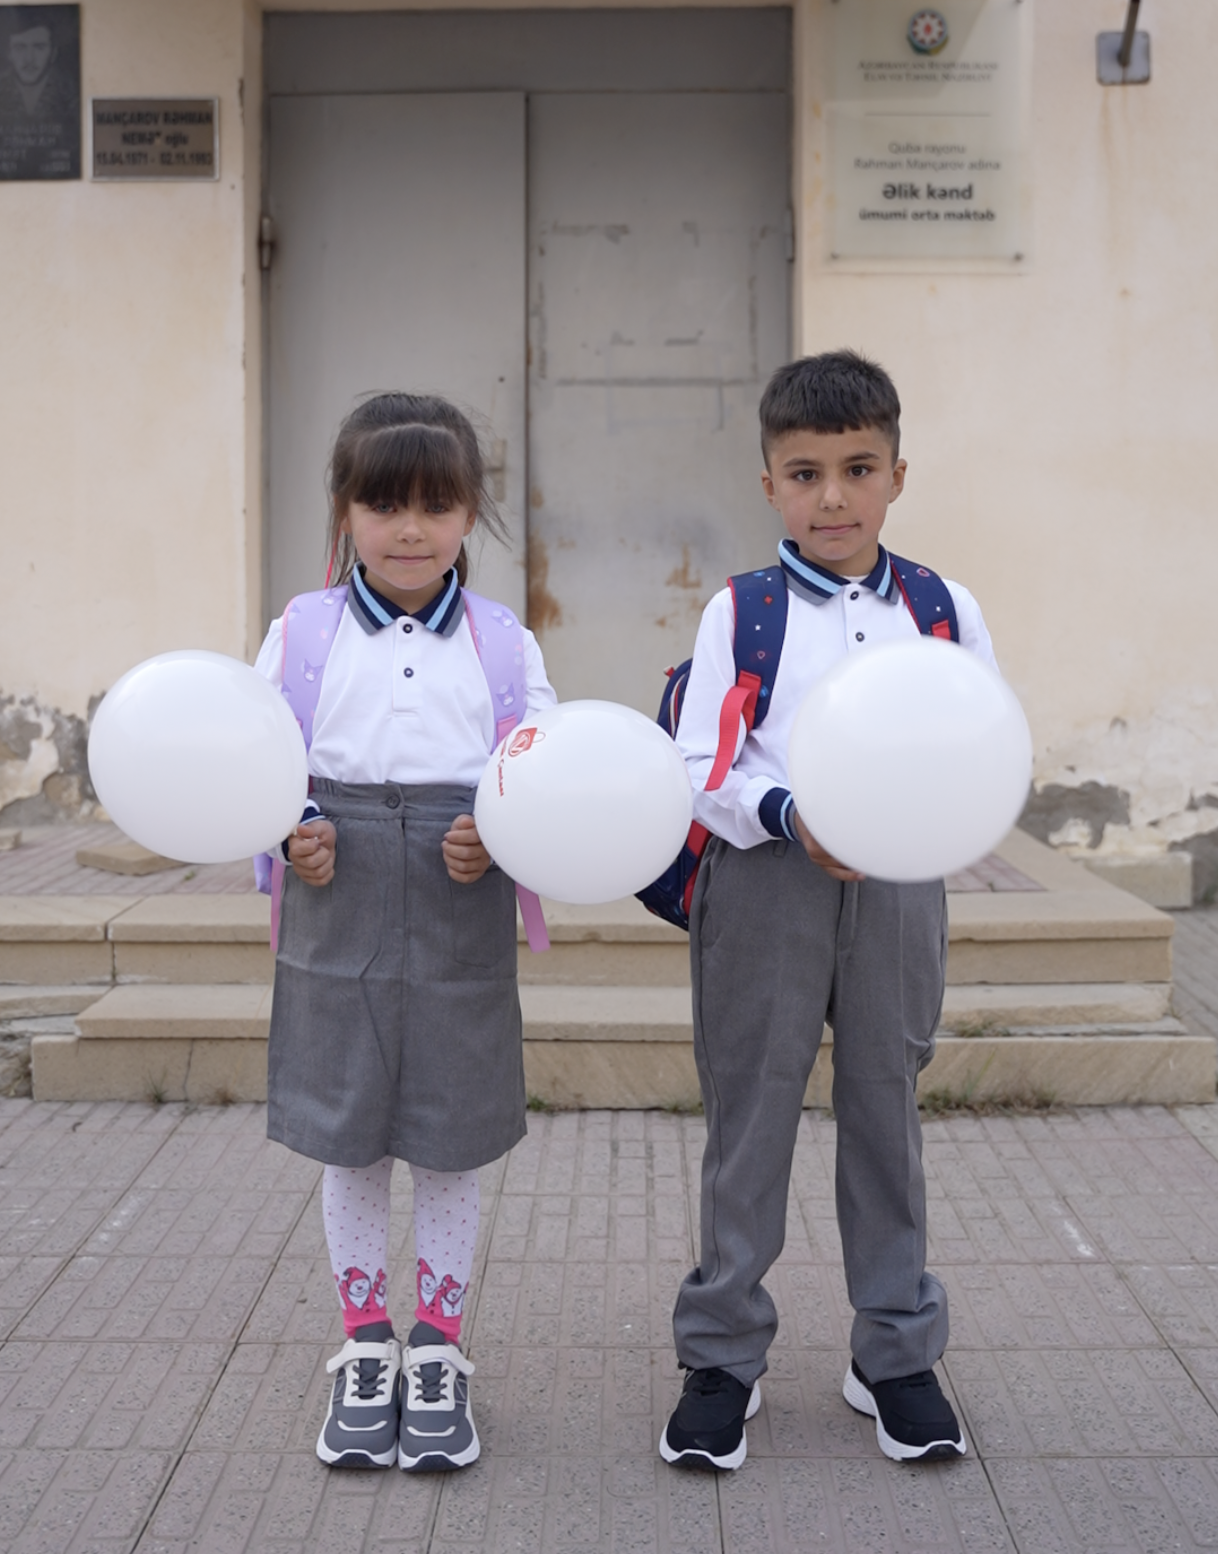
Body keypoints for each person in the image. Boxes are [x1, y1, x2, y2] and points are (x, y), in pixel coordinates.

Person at [659, 350, 996, 1470]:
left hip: (900, 886)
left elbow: (983, 737)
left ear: (898, 474)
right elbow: (700, 764)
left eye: (859, 469)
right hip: (768, 878)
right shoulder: (742, 611)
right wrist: (789, 812)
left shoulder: (942, 610)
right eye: (806, 474)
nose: (834, 497)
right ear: (770, 485)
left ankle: (895, 1356)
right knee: (751, 1114)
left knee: (886, 1110)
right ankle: (722, 1357)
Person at [255, 393, 556, 1471]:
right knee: (351, 1130)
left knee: (449, 1131)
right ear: (345, 511)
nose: (411, 530)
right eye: (385, 505)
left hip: (456, 896)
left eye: (436, 505)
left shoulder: (503, 643)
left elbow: (545, 770)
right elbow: (254, 760)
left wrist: (498, 834)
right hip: (337, 896)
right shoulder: (301, 632)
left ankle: (437, 1347)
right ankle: (363, 1345)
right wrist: (292, 831)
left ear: (472, 511)